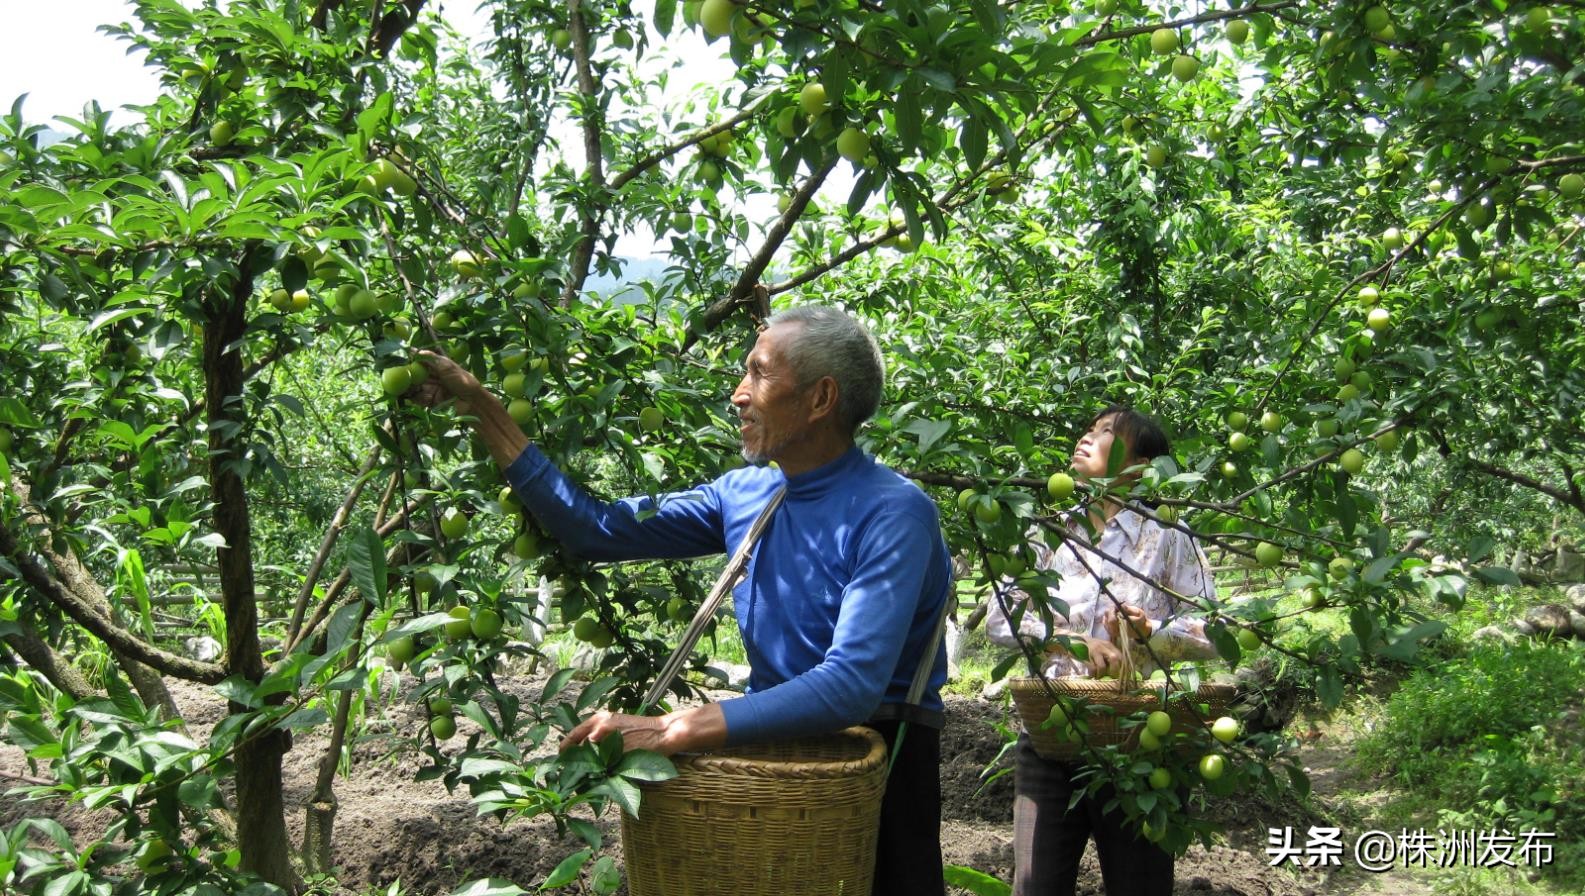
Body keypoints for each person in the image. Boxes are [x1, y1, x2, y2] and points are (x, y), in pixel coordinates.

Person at [415, 306, 950, 896]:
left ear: (821, 398)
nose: (738, 394)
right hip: (768, 760)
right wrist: (486, 410)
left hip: (877, 775)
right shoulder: (746, 493)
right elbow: (596, 529)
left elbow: (851, 684)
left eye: (759, 373)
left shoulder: (893, 513)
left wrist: (672, 728)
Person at [985, 405, 1217, 896]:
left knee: (1140, 885)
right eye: (1088, 428)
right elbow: (998, 615)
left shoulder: (1171, 537)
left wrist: (1150, 628)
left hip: (1141, 740)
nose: (1086, 438)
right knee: (1036, 886)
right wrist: (1070, 640)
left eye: (1107, 432)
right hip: (1049, 734)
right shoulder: (1046, 531)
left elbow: (1212, 632)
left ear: (1139, 466)